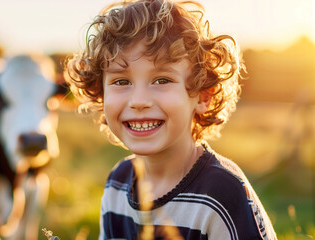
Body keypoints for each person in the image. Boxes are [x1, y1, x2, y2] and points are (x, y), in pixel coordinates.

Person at [65, 0, 277, 239]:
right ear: (102, 94)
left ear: (202, 96)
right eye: (121, 82)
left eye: (162, 80)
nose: (139, 101)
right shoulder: (117, 183)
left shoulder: (222, 193)